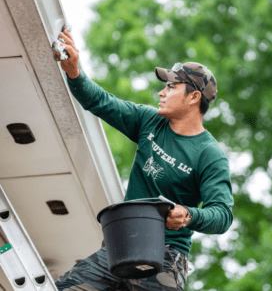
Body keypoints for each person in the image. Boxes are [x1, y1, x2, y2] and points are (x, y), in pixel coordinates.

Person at [54, 29, 234, 291]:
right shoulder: (149, 121)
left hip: (167, 256)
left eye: (172, 86)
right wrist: (73, 70)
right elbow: (100, 101)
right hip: (120, 246)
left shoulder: (209, 155)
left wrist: (188, 215)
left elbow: (223, 215)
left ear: (194, 97)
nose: (162, 92)